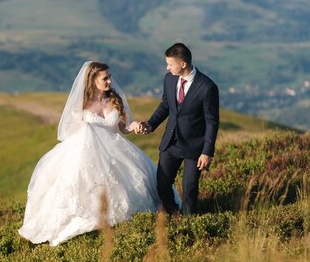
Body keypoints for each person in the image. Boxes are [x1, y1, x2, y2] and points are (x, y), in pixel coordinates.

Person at [18, 61, 181, 246]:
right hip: (87, 153)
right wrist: (84, 128)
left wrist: (133, 126)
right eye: (105, 78)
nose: (110, 81)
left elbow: (122, 128)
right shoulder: (82, 104)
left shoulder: (114, 99)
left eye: (110, 77)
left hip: (116, 152)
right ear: (93, 80)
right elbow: (70, 133)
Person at [138, 43, 219, 215]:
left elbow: (212, 122)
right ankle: (174, 214)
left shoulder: (207, 87)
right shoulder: (169, 79)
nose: (167, 68)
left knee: (189, 189)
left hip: (194, 147)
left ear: (183, 64)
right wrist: (151, 124)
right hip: (170, 143)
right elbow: (166, 106)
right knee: (162, 185)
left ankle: (188, 222)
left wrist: (207, 152)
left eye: (170, 64)